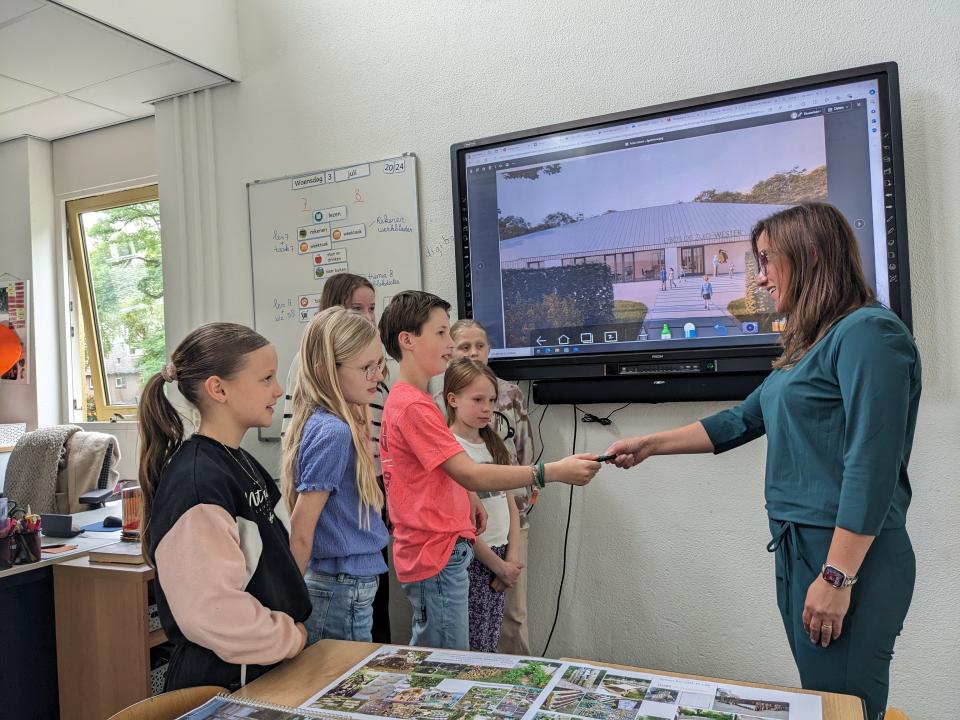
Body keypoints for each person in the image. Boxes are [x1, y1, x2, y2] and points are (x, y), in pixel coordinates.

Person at [603, 203, 920, 720]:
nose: (760, 278)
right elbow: (743, 419)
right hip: (801, 549)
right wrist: (649, 444)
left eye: (768, 260)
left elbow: (872, 463)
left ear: (811, 254)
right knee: (822, 698)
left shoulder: (869, 334)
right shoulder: (811, 344)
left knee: (841, 706)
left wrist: (838, 576)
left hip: (845, 556)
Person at [378, 290, 600, 650]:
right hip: (434, 553)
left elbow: (445, 473)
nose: (450, 344)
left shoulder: (415, 401)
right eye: (440, 334)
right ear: (408, 340)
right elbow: (470, 473)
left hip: (442, 548)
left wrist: (469, 502)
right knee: (447, 667)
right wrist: (550, 472)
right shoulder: (414, 407)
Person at [139, 323, 310, 691]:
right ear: (219, 388)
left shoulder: (240, 461)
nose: (279, 389)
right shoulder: (198, 481)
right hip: (226, 681)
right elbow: (212, 612)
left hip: (264, 667)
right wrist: (288, 637)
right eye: (266, 378)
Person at [281, 272, 392, 643]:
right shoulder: (333, 431)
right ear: (327, 369)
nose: (376, 377)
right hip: (339, 586)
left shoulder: (335, 423)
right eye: (366, 368)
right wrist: (288, 608)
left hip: (349, 582)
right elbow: (301, 530)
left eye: (378, 365)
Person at [446, 318, 534, 655]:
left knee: (508, 620)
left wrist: (509, 559)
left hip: (505, 538)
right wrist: (497, 566)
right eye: (463, 346)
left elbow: (521, 467)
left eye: (479, 345)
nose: (473, 352)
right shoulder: (444, 432)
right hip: (470, 547)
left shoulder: (506, 409)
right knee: (470, 634)